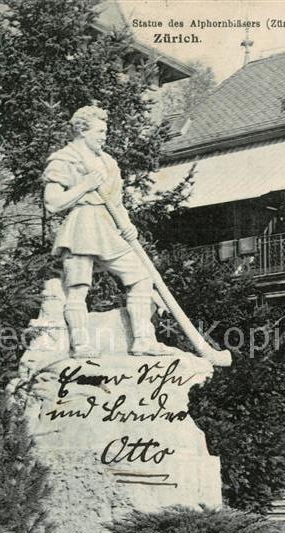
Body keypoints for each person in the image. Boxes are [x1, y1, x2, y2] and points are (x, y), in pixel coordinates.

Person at [43, 105, 171, 359]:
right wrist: (84, 186)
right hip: (81, 228)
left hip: (108, 227)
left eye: (106, 131)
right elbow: (53, 203)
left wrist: (127, 225)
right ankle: (80, 345)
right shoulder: (64, 159)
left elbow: (116, 202)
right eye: (100, 131)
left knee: (141, 278)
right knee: (77, 288)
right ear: (82, 131)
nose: (104, 136)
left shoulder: (108, 162)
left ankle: (143, 340)